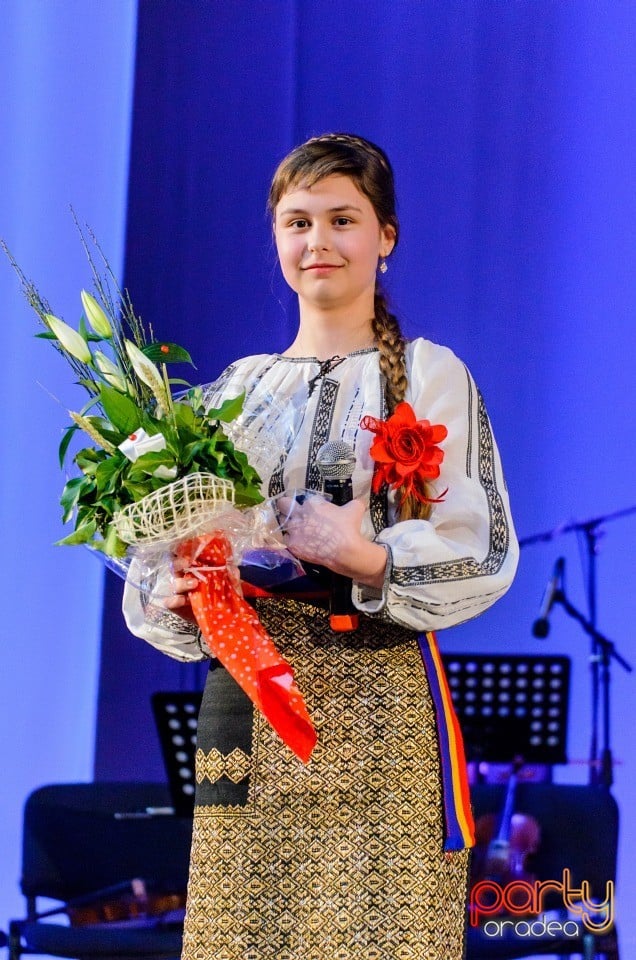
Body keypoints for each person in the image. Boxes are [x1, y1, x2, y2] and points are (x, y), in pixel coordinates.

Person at [123, 133, 519, 960]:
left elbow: (483, 550)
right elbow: (165, 560)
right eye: (297, 222)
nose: (318, 242)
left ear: (387, 236)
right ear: (275, 238)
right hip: (248, 704)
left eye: (343, 219)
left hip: (377, 705)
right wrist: (173, 587)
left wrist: (366, 555)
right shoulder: (234, 391)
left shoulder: (429, 373)